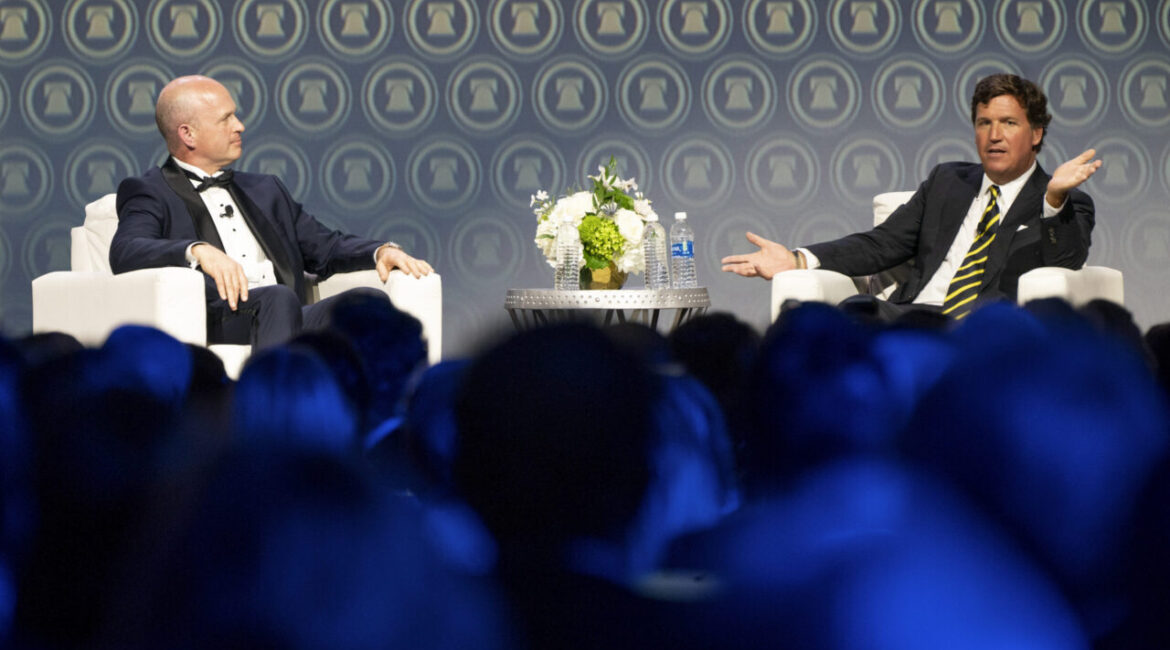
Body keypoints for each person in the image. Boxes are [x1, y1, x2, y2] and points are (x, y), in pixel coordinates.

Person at [722, 74, 1101, 319]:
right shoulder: (948, 181)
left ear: (1035, 134)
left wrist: (1053, 200)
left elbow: (1066, 261)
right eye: (984, 123)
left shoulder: (1064, 202)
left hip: (984, 331)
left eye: (1009, 123)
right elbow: (882, 244)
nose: (994, 135)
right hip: (913, 317)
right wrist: (797, 259)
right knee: (853, 311)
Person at [110, 75, 433, 348]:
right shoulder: (149, 190)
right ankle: (274, 415)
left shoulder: (265, 190)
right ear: (187, 134)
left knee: (365, 304)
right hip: (221, 318)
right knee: (277, 298)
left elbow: (325, 246)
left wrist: (379, 251)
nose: (240, 126)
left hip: (288, 313)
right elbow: (126, 249)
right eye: (226, 119)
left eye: (235, 116)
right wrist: (197, 250)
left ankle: (370, 416)